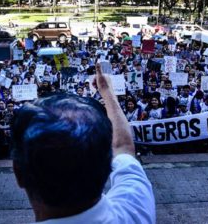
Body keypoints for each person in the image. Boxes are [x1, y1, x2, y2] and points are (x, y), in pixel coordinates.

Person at [11, 63, 155, 223]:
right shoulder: (135, 208)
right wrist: (106, 91)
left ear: (19, 174)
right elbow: (123, 147)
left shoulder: (136, 204)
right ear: (107, 167)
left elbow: (122, 148)